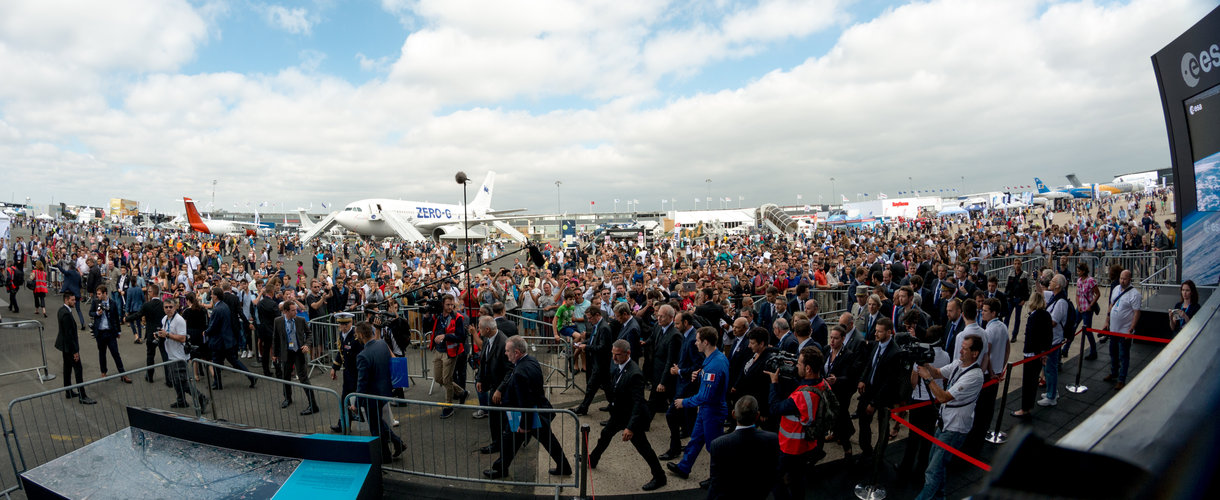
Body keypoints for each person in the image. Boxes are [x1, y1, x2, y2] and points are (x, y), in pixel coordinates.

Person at [484, 335, 574, 479]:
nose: (505, 353)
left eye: (507, 351)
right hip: (535, 412)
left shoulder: (520, 371)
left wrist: (525, 424)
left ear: (517, 353)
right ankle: (564, 467)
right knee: (544, 441)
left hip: (526, 416)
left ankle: (500, 469)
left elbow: (525, 400)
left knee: (511, 442)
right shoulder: (531, 360)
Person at [588, 339, 667, 491]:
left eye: (617, 355)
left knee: (644, 448)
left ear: (627, 353)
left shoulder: (634, 373)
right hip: (619, 414)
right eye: (613, 354)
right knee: (605, 435)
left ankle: (660, 476)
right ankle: (593, 459)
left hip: (632, 417)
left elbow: (638, 403)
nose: (614, 358)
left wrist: (630, 427)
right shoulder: (619, 367)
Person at [914, 334, 985, 500]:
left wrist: (927, 377)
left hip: (955, 428)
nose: (960, 351)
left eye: (965, 349)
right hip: (945, 423)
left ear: (974, 353)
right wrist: (925, 363)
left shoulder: (974, 376)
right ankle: (940, 496)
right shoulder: (959, 364)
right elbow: (939, 373)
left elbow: (943, 397)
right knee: (938, 465)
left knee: (933, 469)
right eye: (961, 347)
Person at [767, 345, 831, 500]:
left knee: (775, 478)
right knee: (797, 480)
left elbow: (775, 408)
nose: (796, 366)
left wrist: (774, 383)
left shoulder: (803, 396)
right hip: (808, 442)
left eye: (800, 364)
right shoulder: (823, 384)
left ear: (808, 368)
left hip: (792, 445)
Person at [666, 327, 729, 480]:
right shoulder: (716, 358)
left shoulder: (714, 366)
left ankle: (717, 477)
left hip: (712, 411)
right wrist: (699, 374)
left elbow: (704, 396)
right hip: (707, 410)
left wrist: (684, 402)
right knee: (695, 439)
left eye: (698, 341)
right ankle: (684, 467)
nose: (695, 343)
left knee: (713, 447)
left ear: (705, 342)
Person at [352, 321, 405, 461]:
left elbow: (361, 383)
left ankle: (385, 456)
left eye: (357, 334)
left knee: (375, 428)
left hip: (371, 396)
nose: (356, 336)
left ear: (362, 335)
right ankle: (397, 443)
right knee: (378, 422)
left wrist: (357, 405)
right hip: (385, 391)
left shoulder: (363, 356)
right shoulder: (382, 343)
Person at [707, 395, 778, 500]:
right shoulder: (772, 439)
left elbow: (716, 482)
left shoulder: (718, 444)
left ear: (733, 414)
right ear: (757, 415)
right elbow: (773, 474)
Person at [856, 317, 902, 459]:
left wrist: (874, 403)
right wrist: (863, 379)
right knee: (863, 422)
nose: (876, 334)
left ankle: (879, 455)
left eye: (879, 332)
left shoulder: (895, 352)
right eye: (876, 331)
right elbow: (869, 364)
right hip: (868, 390)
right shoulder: (876, 345)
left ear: (889, 332)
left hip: (883, 396)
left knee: (883, 426)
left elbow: (889, 382)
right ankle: (866, 451)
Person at [662, 311, 704, 461]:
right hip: (684, 384)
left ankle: (675, 449)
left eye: (678, 323)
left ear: (686, 323)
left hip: (687, 387)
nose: (675, 325)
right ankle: (691, 444)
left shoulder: (693, 340)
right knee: (689, 418)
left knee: (671, 415)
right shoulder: (688, 336)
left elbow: (697, 366)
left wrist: (679, 371)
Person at [155, 299, 207, 411]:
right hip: (171, 354)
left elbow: (183, 338)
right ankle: (181, 400)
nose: (168, 309)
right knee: (175, 381)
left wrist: (167, 335)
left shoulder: (179, 320)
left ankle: (201, 398)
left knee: (183, 382)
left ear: (175, 307)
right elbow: (165, 333)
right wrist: (159, 335)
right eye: (166, 307)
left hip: (179, 356)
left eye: (170, 307)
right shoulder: (164, 319)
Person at [204, 288, 257, 390]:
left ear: (215, 296)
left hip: (219, 341)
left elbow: (213, 326)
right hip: (227, 340)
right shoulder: (224, 306)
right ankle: (251, 377)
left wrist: (206, 332)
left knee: (217, 362)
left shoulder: (217, 309)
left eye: (212, 294)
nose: (211, 296)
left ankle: (218, 383)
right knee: (233, 361)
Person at [273, 300, 320, 415]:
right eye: (293, 310)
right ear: (285, 311)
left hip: (298, 352)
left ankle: (313, 405)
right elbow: (276, 338)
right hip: (287, 352)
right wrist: (275, 354)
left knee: (304, 378)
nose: (296, 312)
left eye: (296, 310)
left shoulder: (301, 320)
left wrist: (306, 344)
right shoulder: (278, 321)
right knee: (286, 376)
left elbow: (309, 334)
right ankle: (287, 398)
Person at [1011, 291, 1051, 419]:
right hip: (1039, 353)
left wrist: (1039, 352)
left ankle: (1025, 408)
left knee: (1028, 382)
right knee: (1032, 382)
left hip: (1031, 353)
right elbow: (1048, 335)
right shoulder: (1046, 315)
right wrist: (1044, 352)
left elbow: (1033, 337)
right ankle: (1028, 406)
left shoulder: (1034, 317)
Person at [475, 316, 511, 455]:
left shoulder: (503, 342)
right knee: (494, 418)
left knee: (500, 418)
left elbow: (510, 370)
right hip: (492, 384)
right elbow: (483, 360)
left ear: (487, 329)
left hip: (501, 388)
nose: (478, 330)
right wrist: (479, 379)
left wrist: (500, 389)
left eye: (480, 328)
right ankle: (497, 443)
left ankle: (502, 445)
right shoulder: (487, 339)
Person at [431, 294, 469, 419]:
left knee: (447, 380)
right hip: (438, 351)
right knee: (438, 378)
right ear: (443, 304)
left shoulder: (458, 317)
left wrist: (445, 336)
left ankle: (448, 406)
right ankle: (462, 392)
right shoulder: (438, 315)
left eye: (452, 304)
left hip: (450, 352)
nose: (450, 307)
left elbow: (461, 337)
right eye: (448, 304)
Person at [1103, 269, 1141, 390]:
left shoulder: (1135, 294)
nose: (1122, 281)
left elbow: (1136, 313)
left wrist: (1131, 329)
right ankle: (1114, 372)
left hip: (1124, 331)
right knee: (1113, 352)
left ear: (1130, 279)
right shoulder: (1116, 289)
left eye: (1124, 278)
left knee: (1123, 355)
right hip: (1114, 329)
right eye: (1121, 278)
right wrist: (1107, 321)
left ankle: (1121, 379)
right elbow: (1111, 305)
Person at [55, 292, 95, 405]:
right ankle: (82, 395)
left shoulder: (61, 310)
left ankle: (68, 391)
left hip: (64, 346)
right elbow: (69, 334)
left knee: (67, 369)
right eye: (72, 300)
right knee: (78, 369)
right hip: (69, 347)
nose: (75, 302)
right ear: (67, 300)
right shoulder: (67, 314)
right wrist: (75, 352)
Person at [90, 286, 132, 383]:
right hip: (100, 332)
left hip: (110, 332)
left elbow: (116, 318)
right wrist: (97, 313)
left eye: (99, 294)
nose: (98, 296)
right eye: (97, 294)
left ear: (105, 293)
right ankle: (103, 372)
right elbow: (90, 313)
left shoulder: (112, 303)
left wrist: (119, 331)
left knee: (116, 354)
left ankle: (122, 374)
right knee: (102, 353)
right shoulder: (96, 302)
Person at [575, 306, 612, 415]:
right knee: (606, 387)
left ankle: (583, 408)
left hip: (602, 363)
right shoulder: (597, 326)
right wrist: (584, 343)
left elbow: (603, 348)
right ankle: (613, 405)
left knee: (592, 387)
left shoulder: (604, 327)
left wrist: (586, 347)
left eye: (590, 318)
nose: (589, 321)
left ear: (597, 315)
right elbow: (593, 339)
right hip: (598, 363)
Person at [330, 312, 362, 431]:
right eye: (341, 324)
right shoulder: (341, 335)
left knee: (364, 402)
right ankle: (343, 424)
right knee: (345, 399)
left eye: (346, 324)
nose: (343, 327)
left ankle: (382, 429)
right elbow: (341, 352)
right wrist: (334, 367)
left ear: (351, 323)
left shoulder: (357, 336)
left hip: (358, 374)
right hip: (348, 374)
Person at [1069, 263, 1100, 360]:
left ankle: (1093, 351)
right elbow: (1077, 294)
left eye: (1079, 271)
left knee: (1088, 331)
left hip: (1087, 308)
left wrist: (1091, 305)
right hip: (1080, 308)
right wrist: (1077, 305)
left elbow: (1097, 294)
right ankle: (1066, 349)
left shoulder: (1090, 281)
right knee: (1073, 328)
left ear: (1083, 271)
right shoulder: (1079, 281)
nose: (1077, 272)